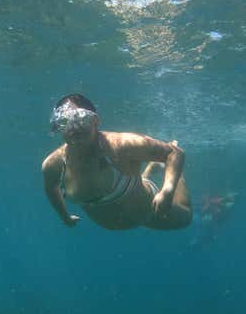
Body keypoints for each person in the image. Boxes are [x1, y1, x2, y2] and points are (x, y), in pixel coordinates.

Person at [41, 94, 192, 231]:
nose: (74, 128)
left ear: (96, 121)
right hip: (132, 206)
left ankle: (172, 172)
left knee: (186, 218)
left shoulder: (121, 145)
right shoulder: (53, 165)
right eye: (64, 121)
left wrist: (167, 191)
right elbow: (51, 188)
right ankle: (151, 168)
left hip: (152, 212)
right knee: (138, 179)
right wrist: (64, 217)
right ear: (57, 127)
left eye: (81, 118)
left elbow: (174, 153)